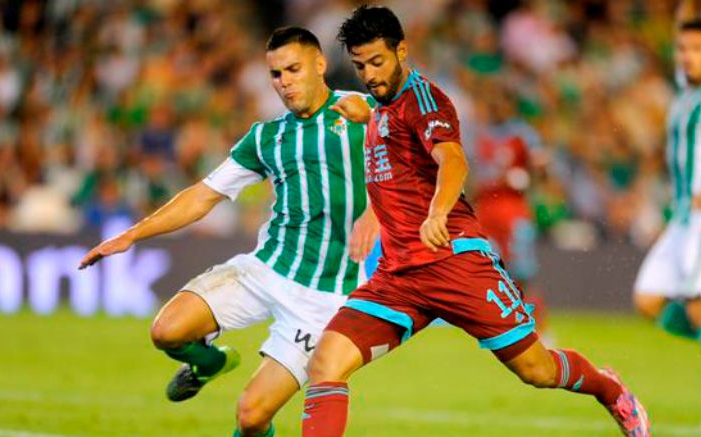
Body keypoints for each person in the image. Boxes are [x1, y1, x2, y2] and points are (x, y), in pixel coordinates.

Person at [300, 6, 650, 437]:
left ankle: (609, 389)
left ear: (402, 50)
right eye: (359, 66)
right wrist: (368, 116)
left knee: (536, 368)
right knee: (326, 363)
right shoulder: (380, 108)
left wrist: (437, 212)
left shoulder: (426, 100)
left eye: (377, 62)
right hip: (398, 275)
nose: (369, 75)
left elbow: (452, 160)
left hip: (454, 262)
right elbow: (397, 150)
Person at [79, 27, 379, 437]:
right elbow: (203, 195)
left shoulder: (366, 111)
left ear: (320, 65)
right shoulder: (267, 137)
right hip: (264, 268)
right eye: (276, 74)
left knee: (251, 417)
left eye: (293, 69)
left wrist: (377, 212)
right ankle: (212, 363)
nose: (285, 82)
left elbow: (418, 162)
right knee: (166, 331)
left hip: (323, 297)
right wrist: (133, 234)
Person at [633, 1, 701, 431]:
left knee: (699, 306)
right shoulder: (688, 89)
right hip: (683, 219)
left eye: (697, 49)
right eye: (682, 49)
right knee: (648, 302)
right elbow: (684, 36)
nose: (687, 56)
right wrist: (685, 13)